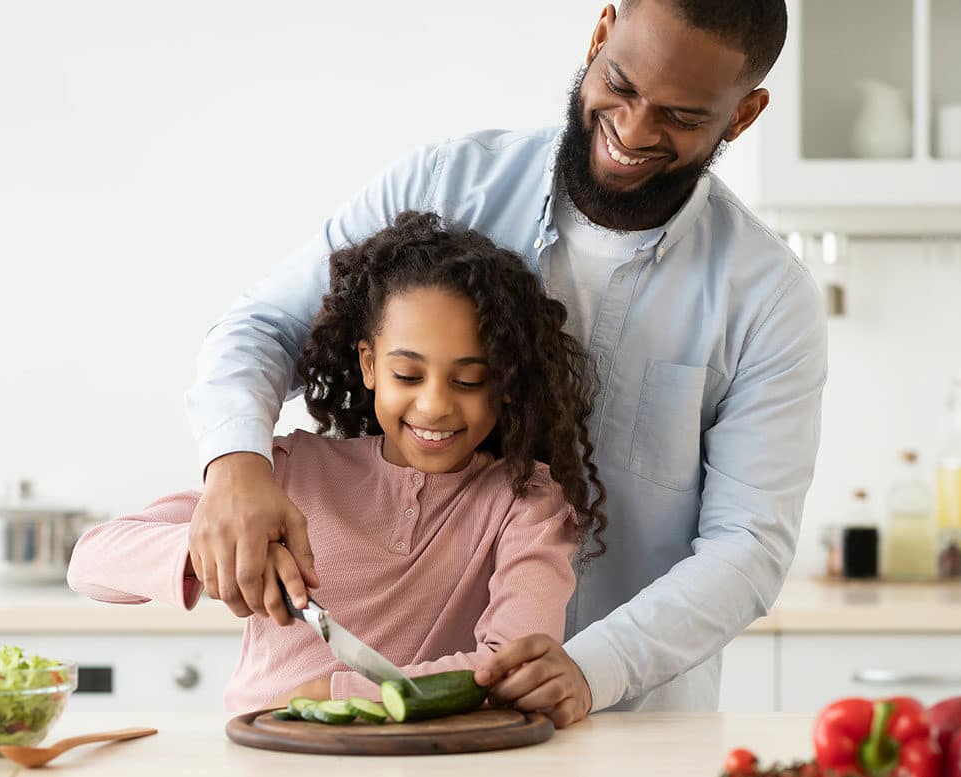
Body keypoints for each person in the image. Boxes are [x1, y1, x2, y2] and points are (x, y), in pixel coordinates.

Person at [185, 0, 827, 726]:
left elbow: (748, 544)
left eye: (681, 117)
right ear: (600, 33)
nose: (634, 131)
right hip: (430, 720)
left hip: (635, 723)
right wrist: (236, 464)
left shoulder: (769, 297)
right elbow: (264, 324)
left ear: (742, 116)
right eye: (619, 85)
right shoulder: (444, 185)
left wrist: (592, 668)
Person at [69, 212, 608, 711]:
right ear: (369, 365)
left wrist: (338, 691)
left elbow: (516, 661)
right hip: (262, 760)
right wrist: (217, 554)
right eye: (408, 376)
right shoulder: (290, 470)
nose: (436, 405)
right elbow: (91, 562)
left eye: (469, 380)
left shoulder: (526, 502)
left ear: (507, 381)